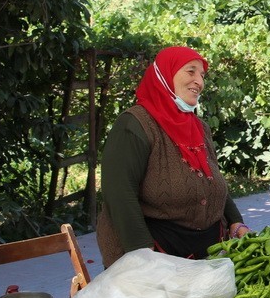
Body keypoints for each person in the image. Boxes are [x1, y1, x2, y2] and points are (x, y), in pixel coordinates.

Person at [96, 45, 251, 267]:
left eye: (202, 75)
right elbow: (118, 191)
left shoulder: (199, 127)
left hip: (206, 251)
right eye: (191, 71)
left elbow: (212, 180)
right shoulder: (135, 125)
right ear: (164, 75)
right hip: (157, 254)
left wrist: (236, 222)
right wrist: (142, 252)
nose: (199, 81)